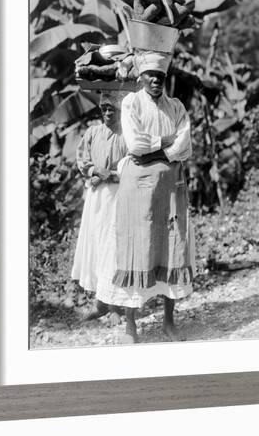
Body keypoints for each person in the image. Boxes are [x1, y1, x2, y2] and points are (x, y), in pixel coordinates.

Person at [99, 50, 196, 343]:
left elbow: (184, 145)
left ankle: (168, 322)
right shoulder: (131, 103)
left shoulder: (176, 106)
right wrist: (164, 144)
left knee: (172, 244)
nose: (156, 80)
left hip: (170, 184)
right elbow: (135, 143)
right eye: (151, 75)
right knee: (135, 245)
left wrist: (159, 147)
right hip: (137, 185)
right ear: (141, 77)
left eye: (161, 76)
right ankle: (131, 326)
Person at [71, 91, 127, 322]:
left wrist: (109, 174)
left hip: (118, 195)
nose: (106, 113)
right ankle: (100, 303)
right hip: (96, 197)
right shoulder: (94, 132)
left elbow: (133, 163)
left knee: (112, 247)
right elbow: (82, 158)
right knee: (96, 244)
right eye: (103, 109)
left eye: (111, 109)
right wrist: (95, 171)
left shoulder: (127, 133)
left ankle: (115, 306)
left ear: (120, 111)